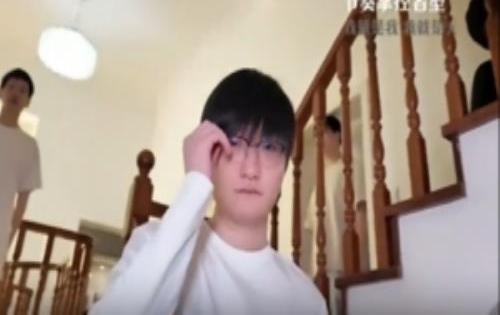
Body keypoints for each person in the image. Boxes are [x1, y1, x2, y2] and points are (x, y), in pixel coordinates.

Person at [90, 69, 328, 315]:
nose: (250, 169)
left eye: (269, 147)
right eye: (234, 142)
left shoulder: (306, 300)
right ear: (209, 151)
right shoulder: (154, 244)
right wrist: (195, 184)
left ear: (285, 166)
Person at [305, 114, 368, 311]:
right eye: (315, 135)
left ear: (337, 134)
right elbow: (311, 229)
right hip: (319, 272)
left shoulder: (349, 168)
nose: (318, 140)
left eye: (322, 133)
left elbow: (360, 214)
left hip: (341, 266)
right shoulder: (318, 182)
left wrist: (355, 266)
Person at [0, 68, 42, 275]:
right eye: (11, 87)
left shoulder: (28, 146)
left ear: (28, 101)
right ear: (1, 92)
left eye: (22, 90)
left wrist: (8, 240)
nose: (15, 93)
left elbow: (22, 202)